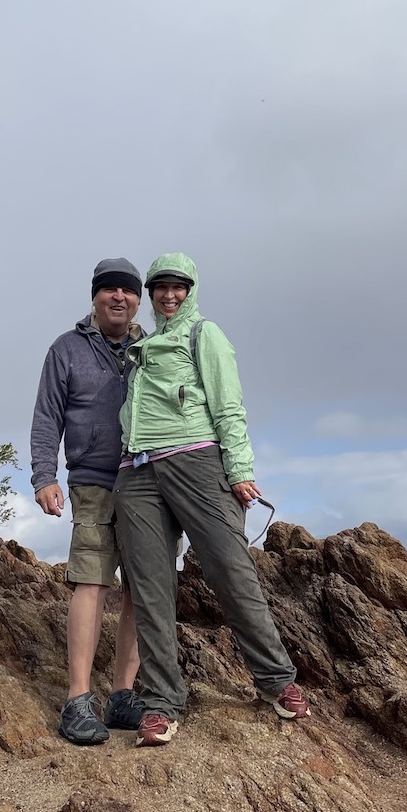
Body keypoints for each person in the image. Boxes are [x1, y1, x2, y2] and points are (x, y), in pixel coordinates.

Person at [114, 252, 310, 747]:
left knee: (231, 571)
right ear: (151, 293)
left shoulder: (206, 334)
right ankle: (161, 702)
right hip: (136, 472)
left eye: (179, 287)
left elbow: (229, 406)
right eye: (161, 287)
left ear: (192, 289)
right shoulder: (144, 344)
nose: (169, 295)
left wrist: (240, 471)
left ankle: (276, 681)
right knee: (150, 591)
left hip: (198, 462)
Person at [30, 257, 148, 745]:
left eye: (127, 290)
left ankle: (123, 696)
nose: (118, 297)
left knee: (144, 587)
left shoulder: (153, 348)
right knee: (92, 581)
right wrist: (44, 476)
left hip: (148, 481)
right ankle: (78, 700)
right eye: (109, 290)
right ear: (96, 296)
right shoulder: (66, 349)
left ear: (138, 299)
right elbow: (47, 415)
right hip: (94, 481)